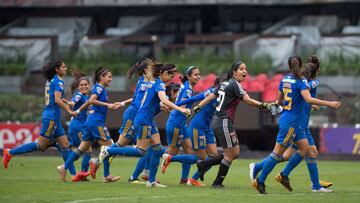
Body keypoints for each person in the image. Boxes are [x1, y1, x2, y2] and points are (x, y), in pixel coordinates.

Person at [251, 56, 341, 194]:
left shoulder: (284, 79)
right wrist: (330, 103)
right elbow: (308, 98)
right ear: (301, 66)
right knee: (277, 154)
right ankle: (260, 180)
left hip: (290, 120)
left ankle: (294, 178)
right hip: (292, 123)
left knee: (306, 149)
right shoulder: (301, 81)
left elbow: (279, 101)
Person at [189, 61, 280, 189]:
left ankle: (204, 165)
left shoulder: (225, 83)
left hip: (221, 121)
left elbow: (210, 97)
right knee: (230, 154)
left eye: (245, 69)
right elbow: (248, 100)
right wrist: (265, 105)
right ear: (234, 72)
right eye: (241, 69)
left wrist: (197, 108)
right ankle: (216, 182)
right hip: (224, 121)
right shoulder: (234, 84)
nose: (245, 71)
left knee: (235, 152)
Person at [98, 63, 191, 187]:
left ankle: (151, 181)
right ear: (162, 73)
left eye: (173, 74)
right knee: (141, 151)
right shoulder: (158, 84)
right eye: (169, 73)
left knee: (158, 149)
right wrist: (181, 109)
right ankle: (109, 150)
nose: (171, 76)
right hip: (143, 119)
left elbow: (149, 100)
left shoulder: (152, 83)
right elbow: (163, 99)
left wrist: (161, 106)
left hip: (147, 119)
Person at [3, 61, 77, 176]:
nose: (66, 68)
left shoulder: (50, 80)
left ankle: (74, 175)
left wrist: (67, 102)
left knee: (65, 144)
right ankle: (10, 152)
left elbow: (55, 97)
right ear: (57, 69)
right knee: (41, 145)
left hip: (53, 117)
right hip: (51, 117)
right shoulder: (59, 81)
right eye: (63, 67)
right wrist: (69, 111)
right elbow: (57, 100)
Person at [57, 67, 123, 182]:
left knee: (82, 148)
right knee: (109, 146)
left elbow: (88, 102)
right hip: (96, 123)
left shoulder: (98, 89)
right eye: (109, 76)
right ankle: (103, 171)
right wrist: (107, 105)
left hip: (89, 122)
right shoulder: (99, 89)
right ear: (101, 77)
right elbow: (92, 100)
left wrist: (78, 110)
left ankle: (64, 167)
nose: (111, 79)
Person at [161, 78, 221, 187]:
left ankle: (190, 180)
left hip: (207, 127)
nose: (198, 77)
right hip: (198, 125)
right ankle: (169, 159)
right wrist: (174, 105)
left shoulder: (225, 96)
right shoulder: (210, 92)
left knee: (213, 157)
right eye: (196, 74)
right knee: (200, 158)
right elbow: (195, 98)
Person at [165, 66, 201, 184]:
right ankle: (149, 174)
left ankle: (184, 179)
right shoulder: (187, 90)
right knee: (171, 154)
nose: (198, 77)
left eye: (199, 74)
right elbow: (182, 108)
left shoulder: (186, 86)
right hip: (176, 124)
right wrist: (190, 112)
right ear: (189, 76)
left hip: (181, 124)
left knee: (190, 152)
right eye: (195, 74)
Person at [67, 70, 92, 181]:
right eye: (81, 85)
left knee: (77, 151)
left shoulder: (87, 97)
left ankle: (77, 172)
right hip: (78, 126)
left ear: (89, 86)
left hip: (78, 125)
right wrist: (71, 103)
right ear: (78, 86)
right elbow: (73, 101)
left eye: (85, 85)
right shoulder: (79, 95)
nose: (83, 87)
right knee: (88, 150)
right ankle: (82, 174)